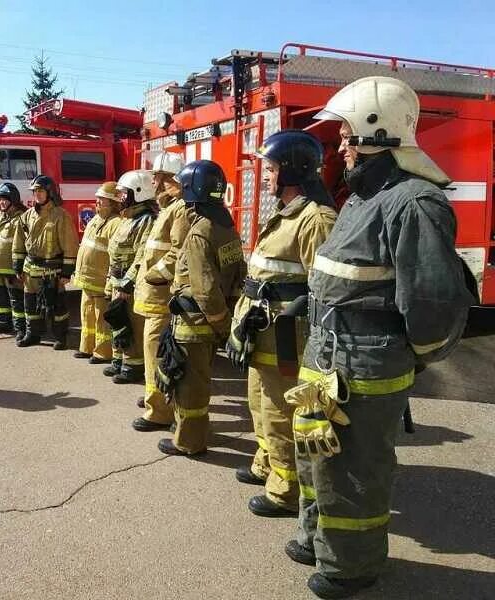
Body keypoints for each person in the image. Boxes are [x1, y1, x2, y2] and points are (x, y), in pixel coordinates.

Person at [282, 76, 474, 599]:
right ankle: (317, 536)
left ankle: (352, 564)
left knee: (353, 465)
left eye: (346, 134)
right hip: (327, 354)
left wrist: (404, 359)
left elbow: (432, 307)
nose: (339, 145)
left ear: (379, 133)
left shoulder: (413, 203)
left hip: (364, 366)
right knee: (315, 452)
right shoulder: (361, 198)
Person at [226, 130, 337, 518]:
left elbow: (324, 287)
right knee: (259, 402)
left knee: (279, 408)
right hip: (263, 329)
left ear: (291, 170)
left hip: (287, 335)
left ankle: (286, 488)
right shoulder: (286, 211)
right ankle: (267, 463)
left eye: (271, 169)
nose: (267, 176)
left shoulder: (315, 219)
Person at [157, 160, 245, 455]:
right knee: (202, 381)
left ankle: (189, 441)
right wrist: (224, 325)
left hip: (193, 325)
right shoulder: (226, 225)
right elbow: (237, 275)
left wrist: (222, 327)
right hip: (210, 325)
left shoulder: (199, 233)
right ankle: (196, 431)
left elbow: (205, 291)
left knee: (189, 387)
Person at [130, 151, 190, 430]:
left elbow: (179, 253)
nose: (152, 180)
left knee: (156, 351)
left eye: (157, 176)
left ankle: (160, 412)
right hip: (152, 296)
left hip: (161, 296)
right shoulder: (166, 208)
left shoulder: (179, 209)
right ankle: (153, 396)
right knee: (151, 349)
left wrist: (155, 276)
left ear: (169, 179)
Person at [12, 175, 79, 349]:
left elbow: (70, 245)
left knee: (57, 307)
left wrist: (66, 272)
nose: (37, 194)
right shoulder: (26, 216)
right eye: (35, 191)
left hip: (52, 272)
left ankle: (60, 337)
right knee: (30, 305)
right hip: (30, 270)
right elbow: (18, 242)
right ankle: (32, 334)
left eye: (40, 191)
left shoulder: (60, 215)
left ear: (50, 192)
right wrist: (18, 265)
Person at [103, 170, 157, 384]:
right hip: (117, 281)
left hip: (129, 284)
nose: (121, 197)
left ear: (138, 193)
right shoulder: (127, 219)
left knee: (132, 325)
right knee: (118, 322)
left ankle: (133, 366)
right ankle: (119, 360)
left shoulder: (147, 221)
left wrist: (128, 283)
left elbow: (141, 256)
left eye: (124, 193)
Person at [72, 181, 122, 363]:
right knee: (87, 314)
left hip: (100, 281)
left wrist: (110, 279)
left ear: (114, 202)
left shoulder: (117, 223)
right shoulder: (95, 219)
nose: (98, 201)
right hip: (86, 279)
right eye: (98, 198)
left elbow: (115, 255)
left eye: (103, 199)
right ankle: (86, 347)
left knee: (102, 319)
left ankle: (102, 352)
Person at [0, 182, 27, 338]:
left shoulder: (21, 219)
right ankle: (2, 323)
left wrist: (20, 267)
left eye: (5, 199)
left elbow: (24, 245)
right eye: (0, 199)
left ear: (13, 200)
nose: (2, 202)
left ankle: (21, 328)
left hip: (12, 268)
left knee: (16, 300)